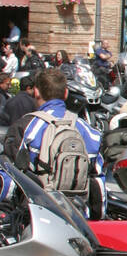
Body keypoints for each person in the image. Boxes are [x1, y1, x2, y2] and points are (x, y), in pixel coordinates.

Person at [12, 68, 104, 208]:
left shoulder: (27, 128)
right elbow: (98, 184)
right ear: (66, 93)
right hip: (76, 216)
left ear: (36, 92)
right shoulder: (90, 132)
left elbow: (10, 179)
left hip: (37, 215)